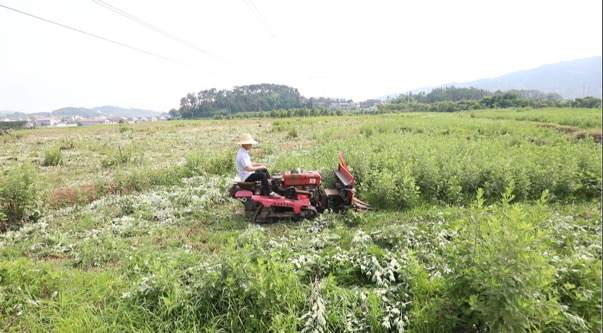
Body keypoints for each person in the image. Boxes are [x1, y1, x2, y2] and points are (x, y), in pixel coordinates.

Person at [236, 133, 282, 199]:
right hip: (246, 177)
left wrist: (260, 164)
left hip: (248, 174)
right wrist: (260, 167)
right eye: (250, 144)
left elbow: (249, 163)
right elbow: (248, 168)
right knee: (262, 175)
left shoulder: (243, 152)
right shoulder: (242, 155)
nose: (251, 145)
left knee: (263, 170)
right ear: (245, 144)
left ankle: (270, 187)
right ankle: (270, 193)